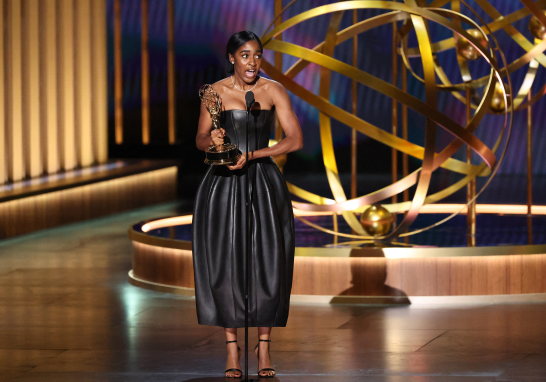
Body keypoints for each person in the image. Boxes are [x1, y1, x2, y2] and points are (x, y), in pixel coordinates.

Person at [192, 30, 303, 378]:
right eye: (245, 55)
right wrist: (213, 141)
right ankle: (231, 350)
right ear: (232, 58)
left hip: (264, 184)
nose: (252, 62)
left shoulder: (272, 90)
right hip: (222, 185)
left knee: (267, 260)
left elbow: (295, 139)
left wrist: (253, 154)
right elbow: (198, 139)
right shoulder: (215, 93)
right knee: (226, 263)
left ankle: (264, 347)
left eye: (257, 55)